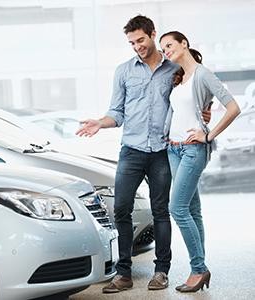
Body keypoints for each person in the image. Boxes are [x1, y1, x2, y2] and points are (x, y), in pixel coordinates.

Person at [76, 16, 210, 293]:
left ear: (152, 35)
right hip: (132, 151)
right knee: (121, 208)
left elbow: (193, 97)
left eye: (141, 40)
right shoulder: (123, 71)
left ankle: (161, 271)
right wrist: (101, 122)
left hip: (163, 151)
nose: (137, 46)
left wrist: (204, 112)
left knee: (162, 211)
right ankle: (123, 273)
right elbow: (117, 112)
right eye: (132, 42)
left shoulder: (174, 67)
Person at [159, 31, 240, 293]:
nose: (166, 51)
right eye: (163, 49)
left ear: (184, 44)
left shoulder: (203, 74)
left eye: (169, 45)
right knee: (192, 210)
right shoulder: (180, 78)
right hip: (174, 149)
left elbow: (233, 107)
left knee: (177, 209)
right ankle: (199, 267)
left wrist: (208, 135)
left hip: (193, 150)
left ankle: (198, 269)